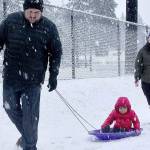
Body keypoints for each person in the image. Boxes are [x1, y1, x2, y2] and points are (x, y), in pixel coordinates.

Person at [0, 0, 62, 150]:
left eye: (36, 13)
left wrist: (53, 75)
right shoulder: (10, 21)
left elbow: (56, 52)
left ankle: (30, 146)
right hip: (11, 76)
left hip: (33, 81)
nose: (33, 15)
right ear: (24, 10)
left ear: (41, 12)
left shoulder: (49, 27)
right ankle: (29, 137)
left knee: (30, 117)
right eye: (30, 12)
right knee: (10, 107)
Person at [134, 34, 150, 108]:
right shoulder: (142, 51)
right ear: (147, 39)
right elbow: (138, 65)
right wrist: (137, 77)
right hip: (146, 82)